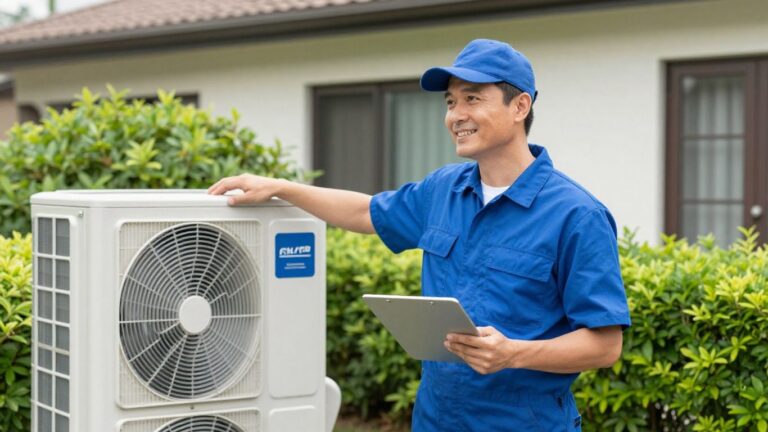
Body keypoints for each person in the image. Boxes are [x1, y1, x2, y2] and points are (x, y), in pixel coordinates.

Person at [208, 38, 631, 431]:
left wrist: (514, 353)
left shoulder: (576, 215)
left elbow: (604, 345)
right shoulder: (443, 190)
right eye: (450, 101)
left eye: (472, 98)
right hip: (434, 418)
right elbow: (365, 212)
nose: (455, 115)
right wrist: (281, 188)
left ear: (520, 106)